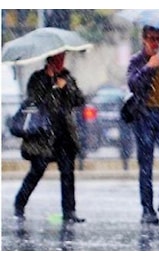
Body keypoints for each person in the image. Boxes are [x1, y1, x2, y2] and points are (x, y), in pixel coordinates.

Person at [14, 52, 86, 223]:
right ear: (49, 59)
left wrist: (66, 87)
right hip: (43, 134)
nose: (61, 62)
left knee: (68, 173)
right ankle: (20, 202)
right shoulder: (37, 78)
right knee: (37, 171)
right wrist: (52, 86)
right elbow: (37, 101)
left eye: (62, 58)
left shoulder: (67, 77)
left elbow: (79, 100)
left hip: (64, 133)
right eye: (57, 58)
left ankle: (69, 211)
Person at [127, 25, 159, 225]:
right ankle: (147, 210)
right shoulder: (136, 61)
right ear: (143, 39)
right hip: (143, 117)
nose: (154, 42)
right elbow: (133, 85)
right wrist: (149, 67)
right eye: (150, 38)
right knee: (146, 166)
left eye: (158, 39)